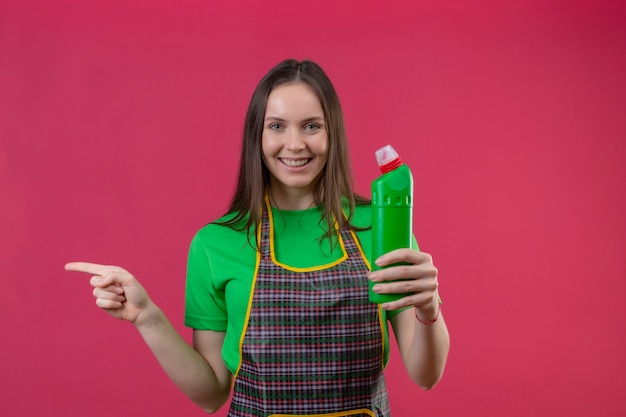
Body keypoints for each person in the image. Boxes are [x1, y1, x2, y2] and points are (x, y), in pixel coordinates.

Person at [66, 59, 450, 416]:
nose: (295, 144)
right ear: (257, 134)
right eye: (277, 126)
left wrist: (429, 308)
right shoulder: (216, 243)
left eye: (312, 126)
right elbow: (212, 392)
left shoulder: (380, 227)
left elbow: (425, 376)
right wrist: (147, 317)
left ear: (332, 133)